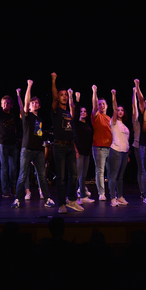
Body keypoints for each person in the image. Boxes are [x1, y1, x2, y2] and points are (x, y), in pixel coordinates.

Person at [11, 80, 55, 209]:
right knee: (22, 176)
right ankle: (17, 199)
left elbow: (38, 135)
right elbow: (24, 104)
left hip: (38, 151)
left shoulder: (40, 120)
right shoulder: (27, 116)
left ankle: (47, 199)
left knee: (42, 176)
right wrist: (29, 86)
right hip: (27, 150)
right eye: (32, 103)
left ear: (39, 106)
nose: (34, 104)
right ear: (29, 106)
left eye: (36, 103)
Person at [51, 73, 84, 213]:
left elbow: (72, 129)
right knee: (61, 177)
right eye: (62, 94)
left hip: (70, 146)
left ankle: (71, 200)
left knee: (74, 175)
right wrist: (54, 80)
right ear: (58, 97)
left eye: (65, 94)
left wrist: (75, 147)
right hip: (59, 146)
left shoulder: (69, 112)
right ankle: (61, 204)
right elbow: (53, 97)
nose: (64, 96)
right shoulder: (55, 110)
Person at [0, 82, 18, 199]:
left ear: (11, 105)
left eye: (8, 103)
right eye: (4, 103)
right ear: (1, 105)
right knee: (4, 167)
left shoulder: (12, 115)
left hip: (13, 144)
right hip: (2, 144)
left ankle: (13, 188)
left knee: (14, 168)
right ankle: (5, 190)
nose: (6, 104)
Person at [107, 89, 130, 207]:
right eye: (118, 110)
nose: (120, 112)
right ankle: (113, 198)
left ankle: (120, 197)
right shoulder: (114, 122)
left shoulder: (124, 126)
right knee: (113, 176)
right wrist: (114, 95)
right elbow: (114, 109)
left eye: (122, 110)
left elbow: (126, 140)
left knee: (120, 177)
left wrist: (128, 154)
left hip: (125, 153)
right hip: (115, 151)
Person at [72, 91, 95, 205]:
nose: (83, 113)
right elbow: (75, 114)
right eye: (81, 111)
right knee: (77, 175)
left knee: (83, 176)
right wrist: (77, 100)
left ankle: (83, 196)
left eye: (85, 111)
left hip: (87, 152)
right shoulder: (77, 124)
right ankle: (73, 197)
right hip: (79, 152)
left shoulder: (87, 125)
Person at [91, 84, 112, 201]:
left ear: (107, 106)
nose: (101, 106)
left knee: (111, 172)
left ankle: (112, 192)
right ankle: (101, 193)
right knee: (100, 171)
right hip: (99, 147)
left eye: (103, 104)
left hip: (110, 148)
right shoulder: (96, 116)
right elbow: (94, 106)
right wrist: (94, 92)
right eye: (99, 104)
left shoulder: (109, 118)